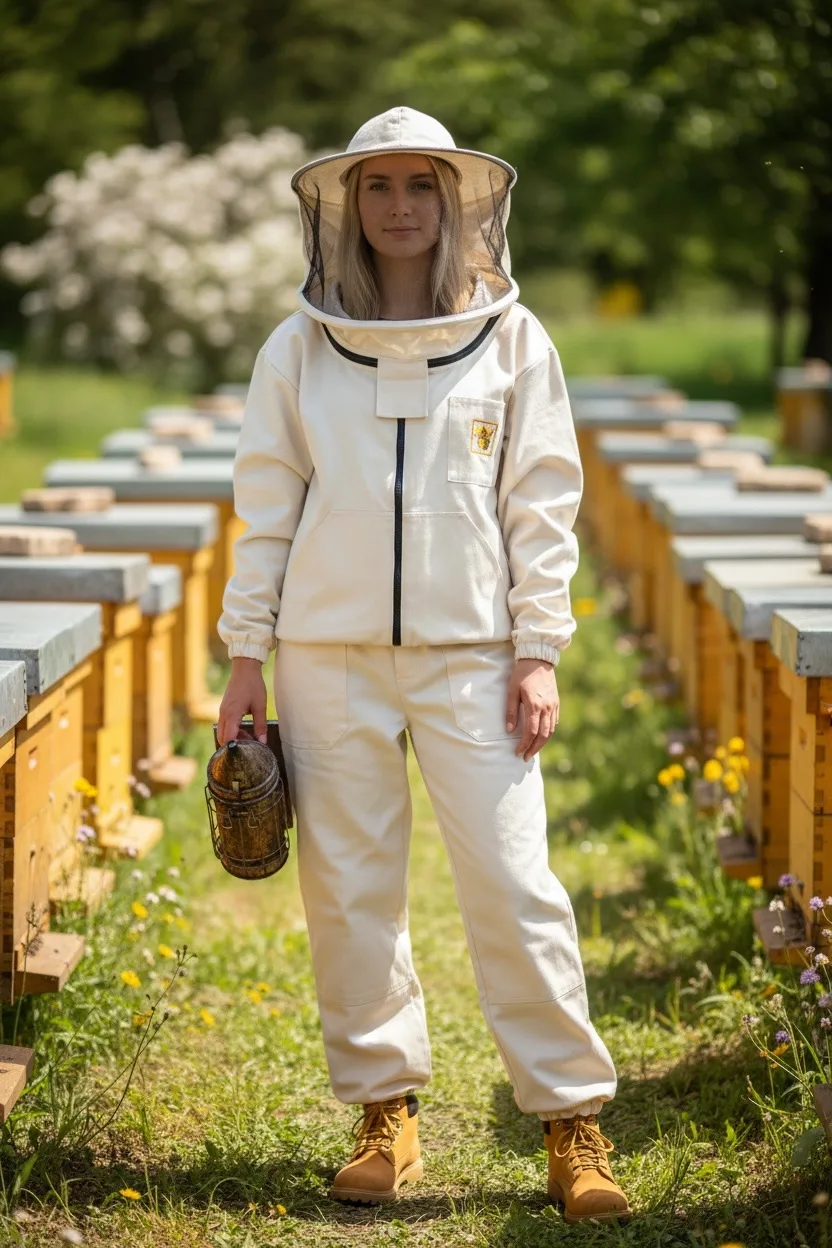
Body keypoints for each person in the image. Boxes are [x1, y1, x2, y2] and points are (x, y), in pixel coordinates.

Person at [216, 106, 630, 1224]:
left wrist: (537, 648)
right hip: (327, 655)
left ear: (455, 203)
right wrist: (247, 653)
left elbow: (542, 501)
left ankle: (571, 1122)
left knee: (515, 885)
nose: (399, 206)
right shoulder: (297, 347)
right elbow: (265, 505)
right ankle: (383, 1111)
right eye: (379, 185)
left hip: (475, 656)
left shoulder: (515, 339)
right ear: (346, 205)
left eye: (419, 186)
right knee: (350, 892)